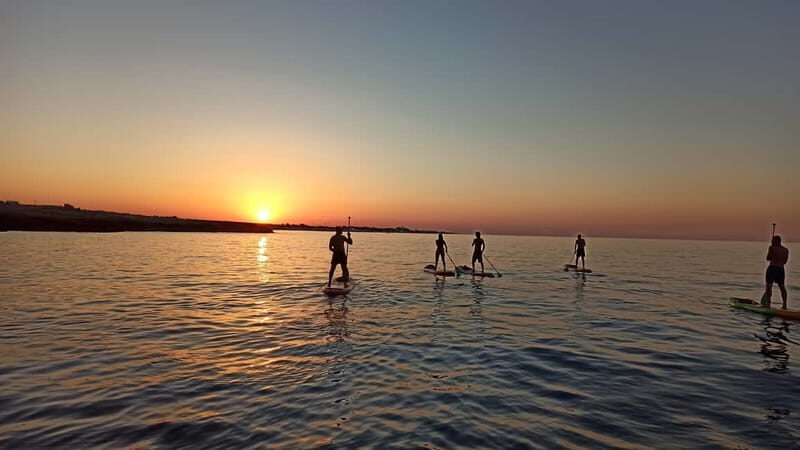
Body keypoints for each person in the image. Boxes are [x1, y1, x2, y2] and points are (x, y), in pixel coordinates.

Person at [762, 235, 789, 309]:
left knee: (768, 286)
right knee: (782, 286)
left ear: (776, 241)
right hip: (781, 269)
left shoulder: (772, 248)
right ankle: (784, 305)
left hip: (772, 268)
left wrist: (771, 250)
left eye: (773, 240)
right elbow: (785, 262)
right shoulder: (786, 250)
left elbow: (768, 258)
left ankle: (768, 304)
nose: (771, 241)